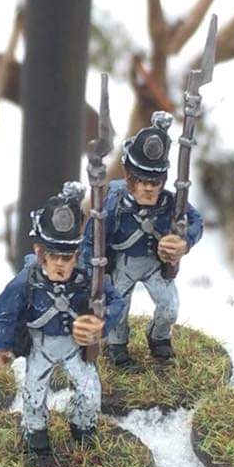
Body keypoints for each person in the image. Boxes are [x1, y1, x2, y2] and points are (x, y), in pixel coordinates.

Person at [0, 184, 125, 456]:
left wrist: (101, 323)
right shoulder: (26, 281)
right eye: (53, 256)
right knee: (34, 393)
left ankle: (82, 424)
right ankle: (35, 430)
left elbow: (117, 302)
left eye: (67, 257)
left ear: (76, 255)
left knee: (90, 391)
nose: (60, 263)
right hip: (41, 346)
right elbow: (5, 311)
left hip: (76, 347)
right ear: (40, 253)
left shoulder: (90, 277)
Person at [80, 111, 203, 367]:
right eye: (142, 180)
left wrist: (184, 242)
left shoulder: (170, 202)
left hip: (155, 264)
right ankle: (117, 346)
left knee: (169, 306)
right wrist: (90, 274)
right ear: (129, 179)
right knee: (118, 307)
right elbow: (90, 239)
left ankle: (159, 338)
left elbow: (196, 221)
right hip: (122, 264)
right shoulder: (113, 203)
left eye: (155, 181)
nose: (148, 187)